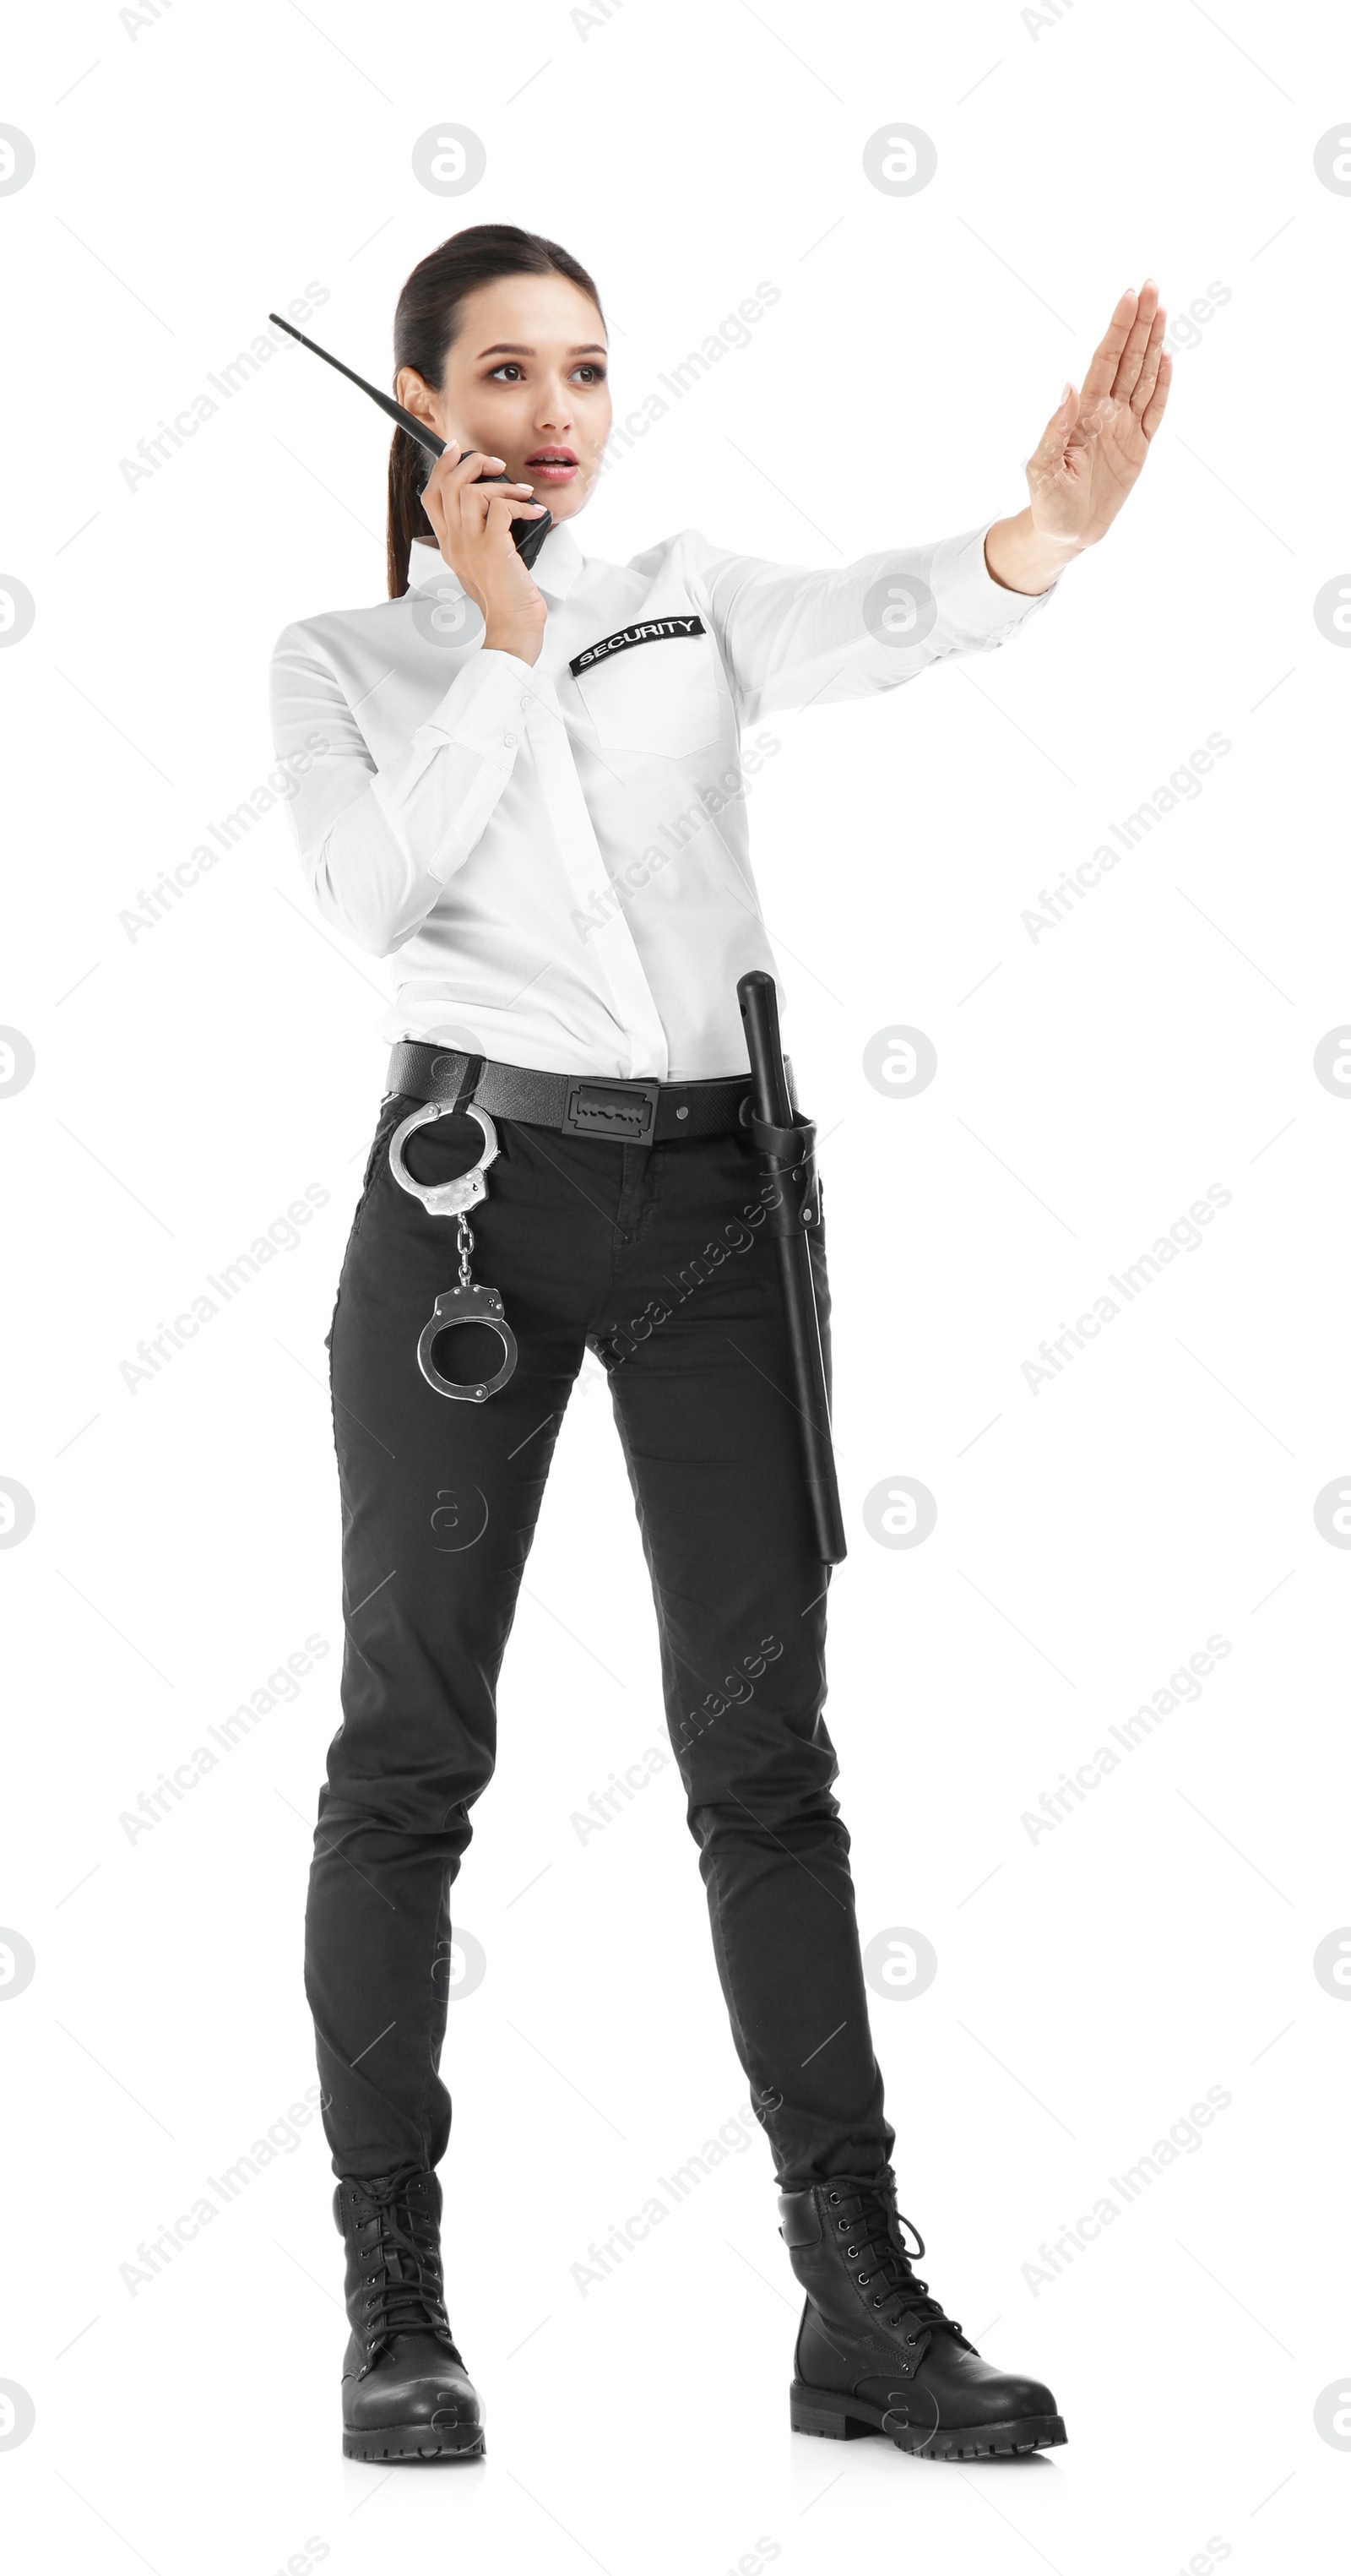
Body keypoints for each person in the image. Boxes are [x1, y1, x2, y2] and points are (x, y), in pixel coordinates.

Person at [269, 223, 1170, 2466]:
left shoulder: (680, 588)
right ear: (414, 405)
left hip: (711, 1207)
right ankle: (396, 2292)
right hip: (462, 1220)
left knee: (769, 1764)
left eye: (580, 368)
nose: (551, 412)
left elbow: (886, 612)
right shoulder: (339, 661)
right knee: (409, 1756)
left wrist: (1035, 533)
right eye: (500, 375)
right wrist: (490, 643)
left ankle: (857, 2298)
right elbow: (377, 903)